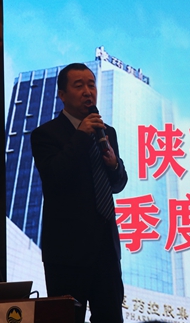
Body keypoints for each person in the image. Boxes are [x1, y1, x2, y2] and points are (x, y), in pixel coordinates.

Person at [30, 63, 128, 323]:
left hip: (106, 251)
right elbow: (55, 177)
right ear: (62, 94)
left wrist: (114, 165)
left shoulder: (107, 133)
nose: (88, 91)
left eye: (91, 85)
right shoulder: (45, 134)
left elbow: (117, 185)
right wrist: (82, 135)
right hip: (66, 254)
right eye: (79, 85)